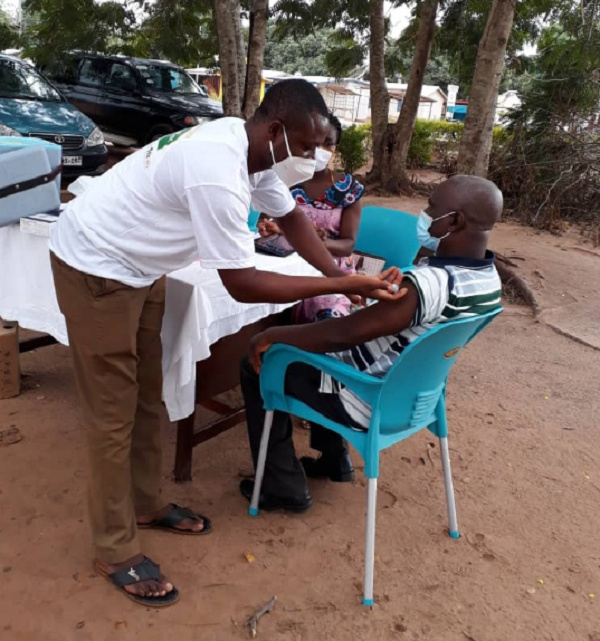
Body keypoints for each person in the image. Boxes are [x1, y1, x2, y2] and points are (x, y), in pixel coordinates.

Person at [49, 79, 404, 607]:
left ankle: (144, 504)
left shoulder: (252, 153)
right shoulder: (218, 170)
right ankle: (115, 548)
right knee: (111, 412)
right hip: (96, 265)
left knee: (147, 394)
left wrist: (340, 271)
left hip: (142, 269)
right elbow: (242, 281)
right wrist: (341, 284)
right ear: (276, 130)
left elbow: (291, 220)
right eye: (306, 147)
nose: (312, 159)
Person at [239, 175, 504, 513]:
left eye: (431, 207)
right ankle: (334, 460)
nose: (424, 214)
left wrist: (269, 336)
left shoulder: (427, 286)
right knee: (321, 332)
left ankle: (282, 487)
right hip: (414, 397)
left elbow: (344, 334)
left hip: (367, 398)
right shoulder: (487, 279)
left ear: (454, 221)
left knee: (260, 361)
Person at [258, 112, 365, 323]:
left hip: (331, 271)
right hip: (285, 264)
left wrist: (320, 242)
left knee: (324, 317)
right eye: (314, 143)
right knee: (260, 310)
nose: (319, 151)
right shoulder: (283, 181)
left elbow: (347, 246)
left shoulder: (348, 189)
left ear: (336, 148)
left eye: (328, 144)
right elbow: (265, 221)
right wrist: (268, 227)